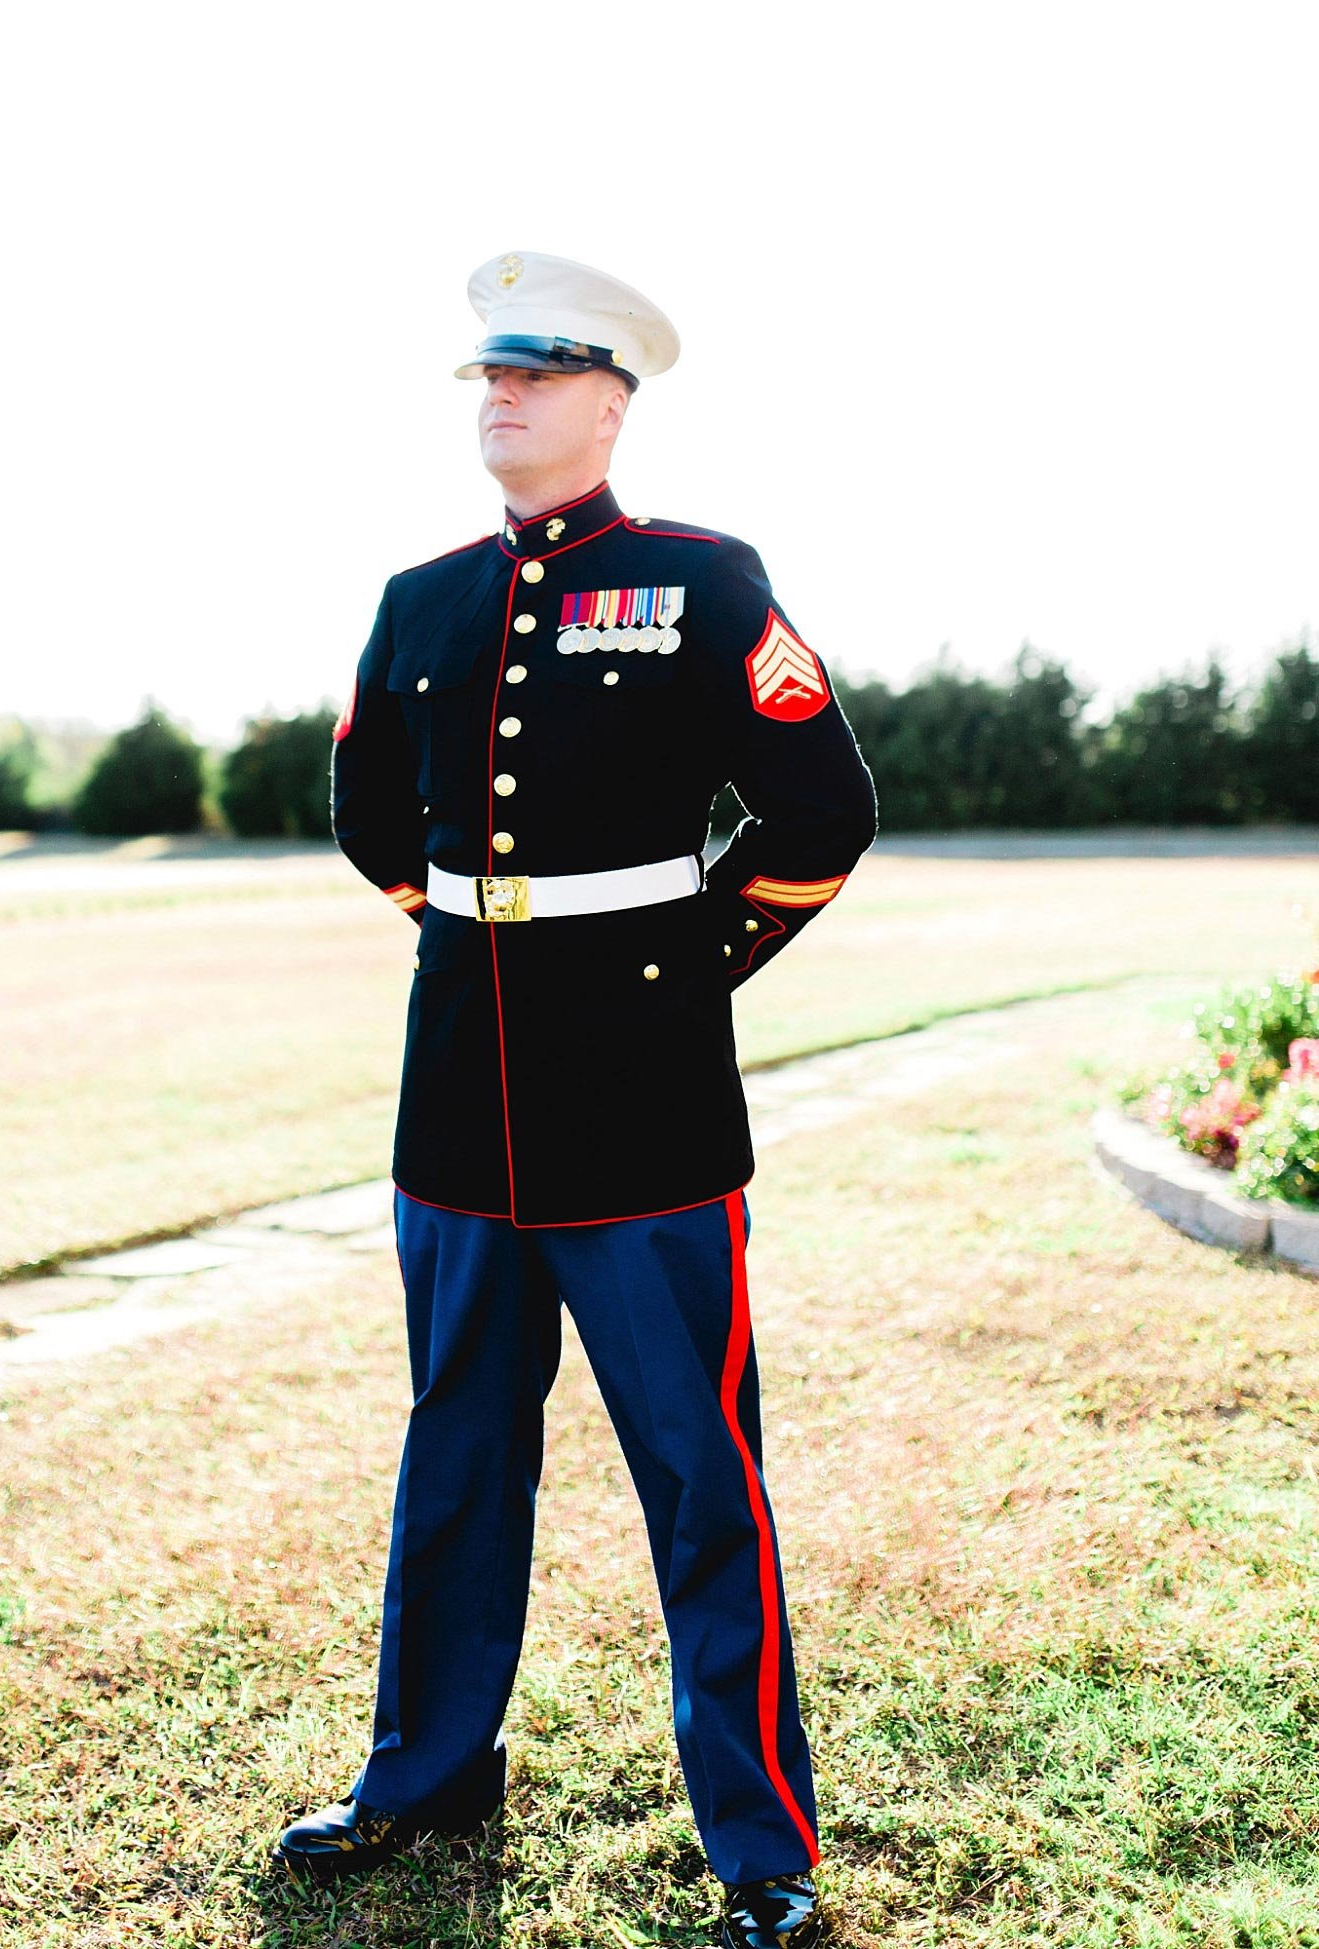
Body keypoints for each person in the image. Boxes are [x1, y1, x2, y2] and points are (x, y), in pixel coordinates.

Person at [273, 250, 877, 1949]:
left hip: (646, 1108)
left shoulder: (702, 580)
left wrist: (682, 974)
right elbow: (369, 817)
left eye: (535, 375)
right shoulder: (419, 600)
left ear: (612, 402)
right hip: (459, 1104)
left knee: (699, 1470)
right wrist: (481, 941)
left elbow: (821, 812)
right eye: (488, 374)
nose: (501, 396)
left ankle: (760, 1841)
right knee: (458, 1450)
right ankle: (426, 1774)